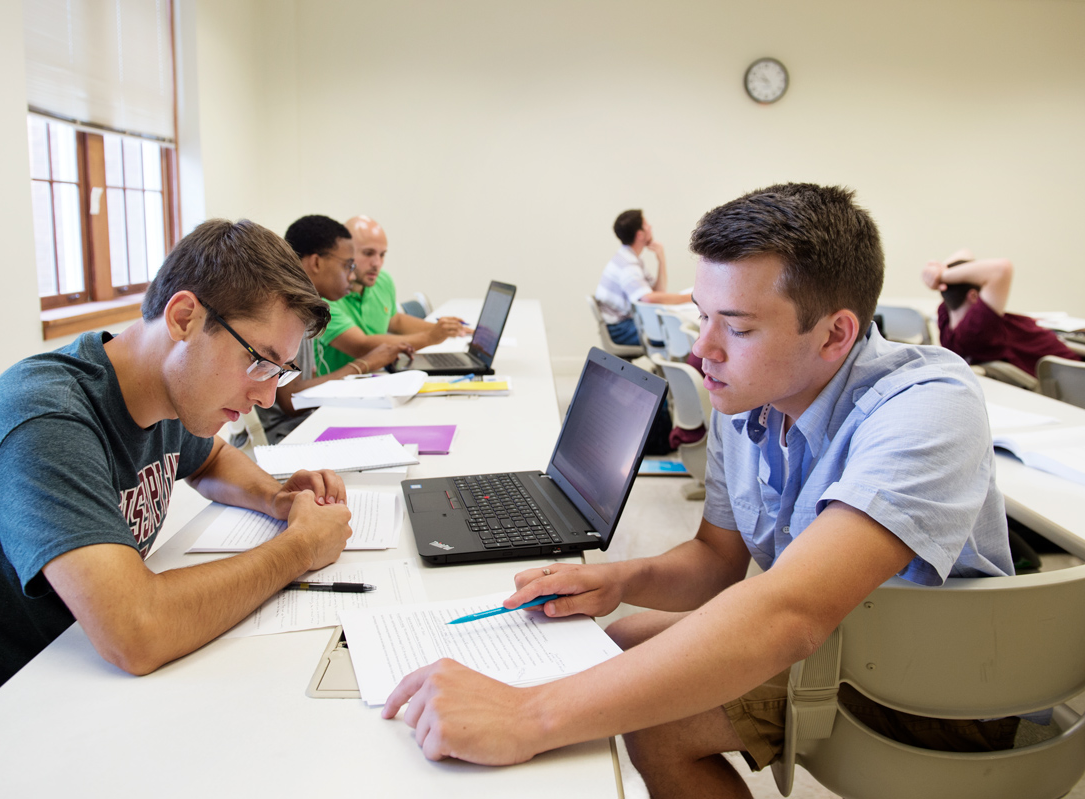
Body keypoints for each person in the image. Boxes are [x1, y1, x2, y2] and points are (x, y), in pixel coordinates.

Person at [382, 184, 1016, 796]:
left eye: (736, 329)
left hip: (935, 685)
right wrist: (622, 582)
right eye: (701, 318)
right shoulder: (749, 397)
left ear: (834, 335)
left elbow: (791, 615)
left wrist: (531, 717)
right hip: (842, 647)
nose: (701, 351)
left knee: (646, 711)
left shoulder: (927, 407)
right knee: (610, 643)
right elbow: (717, 561)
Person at [0, 219, 356, 720]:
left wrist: (276, 498)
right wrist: (299, 547)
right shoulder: (46, 422)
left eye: (278, 372)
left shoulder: (163, 392)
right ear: (183, 319)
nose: (267, 395)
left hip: (105, 682)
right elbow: (136, 630)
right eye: (260, 361)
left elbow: (211, 458)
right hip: (24, 716)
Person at [235, 215, 414, 446]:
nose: (351, 275)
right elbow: (292, 401)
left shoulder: (307, 308)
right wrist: (364, 364)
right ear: (317, 263)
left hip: (301, 424)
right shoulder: (287, 312)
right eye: (347, 265)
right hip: (282, 435)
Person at [315, 215, 470, 374]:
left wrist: (448, 329)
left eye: (382, 255)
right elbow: (361, 346)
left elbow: (395, 321)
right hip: (338, 388)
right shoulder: (326, 295)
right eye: (368, 253)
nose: (377, 263)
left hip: (376, 376)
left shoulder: (383, 280)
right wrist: (430, 337)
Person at [923, 249, 1080, 376]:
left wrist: (938, 274)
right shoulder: (976, 327)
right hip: (1075, 370)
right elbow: (1002, 268)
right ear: (973, 295)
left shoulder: (944, 317)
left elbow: (965, 253)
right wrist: (942, 275)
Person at [595, 209, 693, 346]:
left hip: (623, 324)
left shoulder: (631, 259)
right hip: (620, 329)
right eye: (646, 225)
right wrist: (689, 298)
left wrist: (661, 260)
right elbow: (648, 298)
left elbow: (659, 292)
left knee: (675, 328)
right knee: (677, 333)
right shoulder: (627, 265)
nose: (650, 227)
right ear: (640, 234)